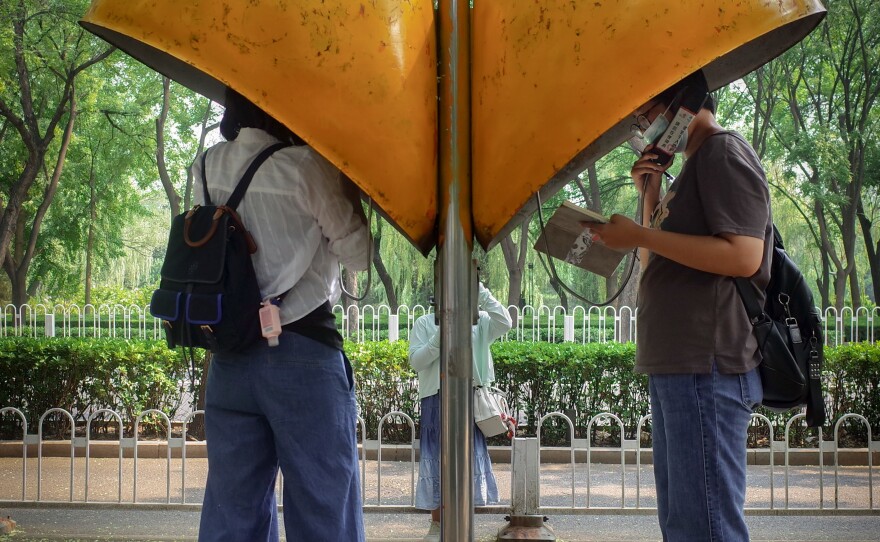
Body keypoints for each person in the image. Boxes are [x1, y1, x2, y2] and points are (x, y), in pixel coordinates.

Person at [587, 71, 770, 541]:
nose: (640, 125)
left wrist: (641, 233)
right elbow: (653, 261)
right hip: (679, 364)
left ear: (681, 104)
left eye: (645, 113)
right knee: (683, 521)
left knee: (705, 521)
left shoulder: (722, 152)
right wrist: (649, 192)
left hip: (704, 363)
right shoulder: (689, 169)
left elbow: (745, 256)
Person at [196, 88, 370, 542]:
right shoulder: (308, 166)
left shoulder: (207, 164)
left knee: (231, 511)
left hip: (231, 357)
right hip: (304, 354)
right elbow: (359, 256)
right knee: (322, 508)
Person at [408, 282, 512, 542]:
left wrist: (482, 292)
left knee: (468, 459)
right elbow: (416, 361)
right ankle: (436, 527)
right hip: (436, 398)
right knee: (437, 459)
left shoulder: (480, 321)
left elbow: (506, 322)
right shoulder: (424, 323)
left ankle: (465, 524)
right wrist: (439, 337)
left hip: (470, 399)